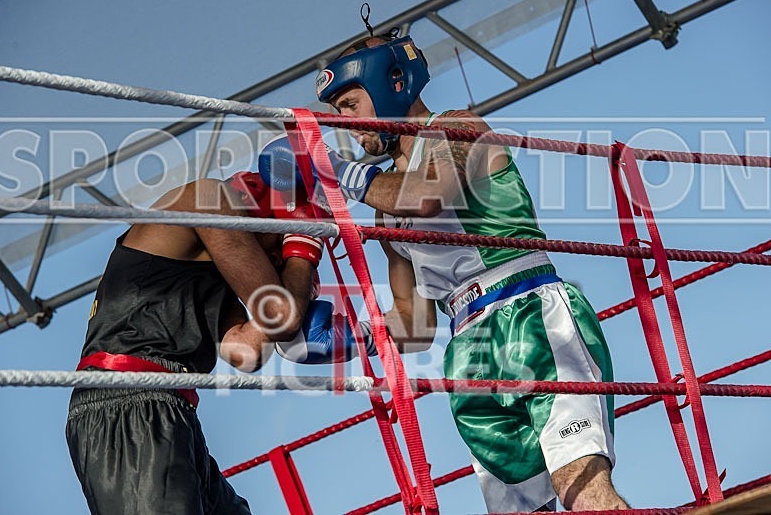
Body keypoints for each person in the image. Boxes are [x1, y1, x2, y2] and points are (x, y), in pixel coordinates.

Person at [259, 33, 629, 512]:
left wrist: (332, 170)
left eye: (350, 105)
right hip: (467, 349)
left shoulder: (457, 127)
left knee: (583, 492)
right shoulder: (384, 212)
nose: (344, 123)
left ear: (394, 82)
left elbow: (425, 194)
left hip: (529, 313)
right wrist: (351, 338)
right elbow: (415, 326)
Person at [65, 172, 344, 514]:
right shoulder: (209, 197)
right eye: (279, 247)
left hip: (167, 410)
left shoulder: (211, 263)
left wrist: (294, 275)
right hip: (128, 406)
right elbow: (280, 314)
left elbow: (246, 350)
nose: (276, 262)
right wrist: (303, 248)